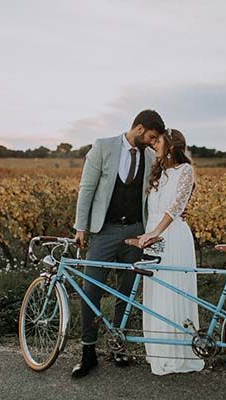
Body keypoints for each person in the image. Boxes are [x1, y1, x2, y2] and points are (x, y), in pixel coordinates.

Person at [71, 109, 166, 378]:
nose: (152, 141)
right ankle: (88, 351)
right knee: (91, 289)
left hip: (136, 231)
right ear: (139, 128)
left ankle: (118, 344)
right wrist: (81, 227)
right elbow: (87, 188)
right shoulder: (103, 147)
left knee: (127, 291)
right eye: (151, 136)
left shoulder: (149, 156)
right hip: (104, 231)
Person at [138, 128, 205, 375]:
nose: (154, 144)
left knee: (172, 289)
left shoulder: (185, 171)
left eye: (158, 140)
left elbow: (176, 207)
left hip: (172, 235)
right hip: (151, 234)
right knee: (155, 292)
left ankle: (177, 352)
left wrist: (156, 232)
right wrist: (148, 234)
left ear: (172, 144)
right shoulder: (159, 172)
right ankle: (158, 350)